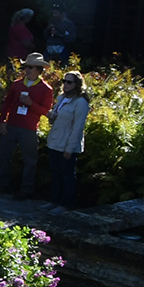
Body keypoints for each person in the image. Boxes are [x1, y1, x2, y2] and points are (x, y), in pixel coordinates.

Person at [0, 53, 56, 198]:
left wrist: (31, 104)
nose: (26, 70)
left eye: (30, 67)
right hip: (11, 126)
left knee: (30, 161)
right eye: (26, 66)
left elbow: (46, 111)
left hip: (29, 129)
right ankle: (3, 185)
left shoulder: (46, 89)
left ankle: (26, 189)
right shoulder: (17, 84)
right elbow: (7, 104)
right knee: (4, 156)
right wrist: (2, 121)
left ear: (38, 69)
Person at [45, 70, 90, 208]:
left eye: (69, 82)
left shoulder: (81, 103)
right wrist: (51, 116)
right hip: (55, 142)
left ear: (77, 84)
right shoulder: (61, 98)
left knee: (67, 176)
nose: (65, 84)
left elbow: (78, 128)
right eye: (64, 81)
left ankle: (65, 205)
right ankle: (54, 201)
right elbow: (57, 118)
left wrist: (69, 148)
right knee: (55, 174)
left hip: (67, 145)